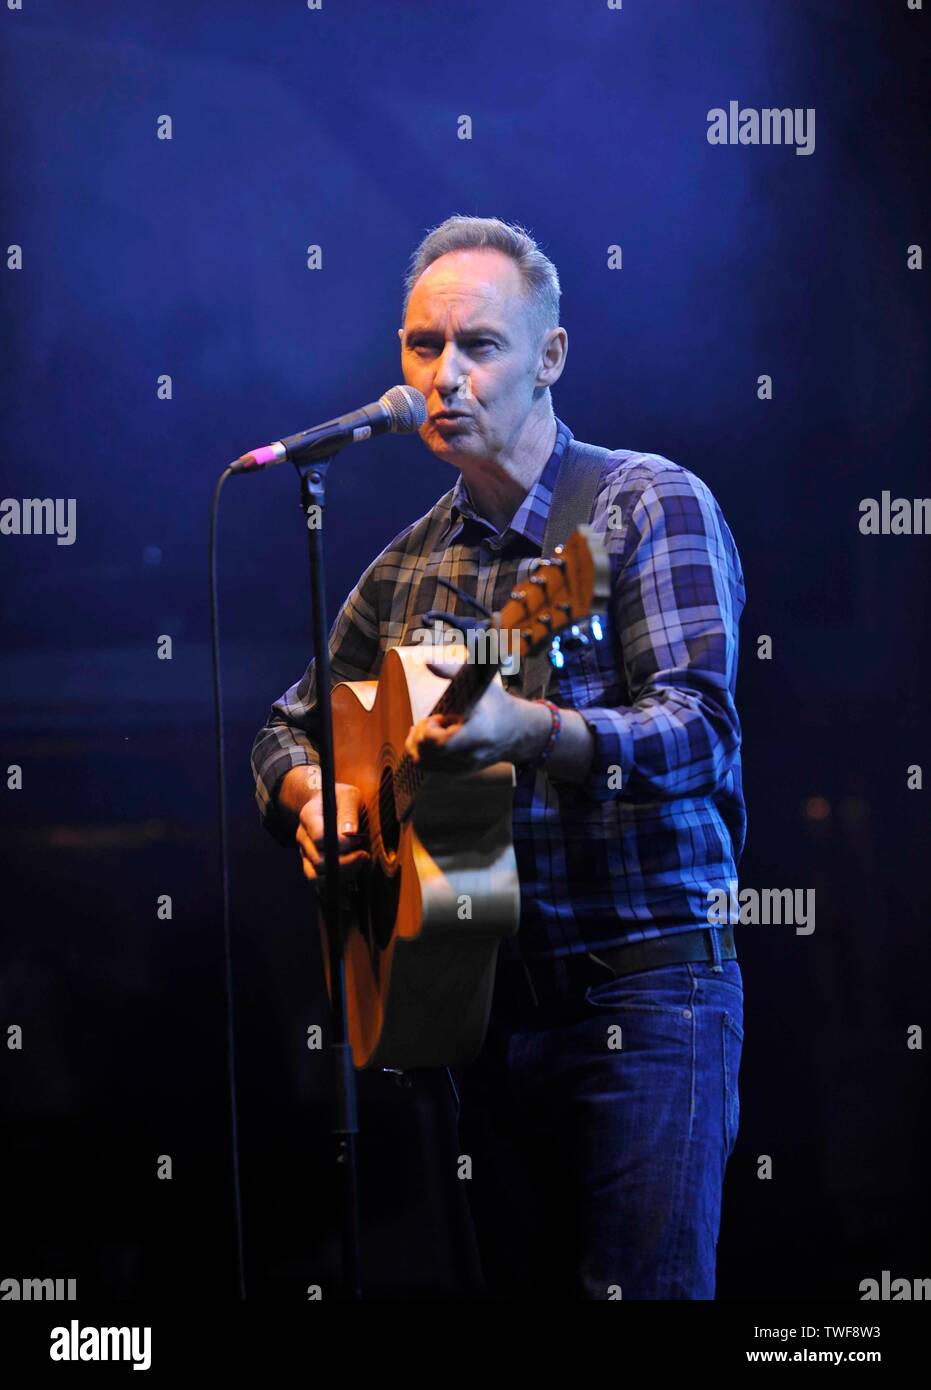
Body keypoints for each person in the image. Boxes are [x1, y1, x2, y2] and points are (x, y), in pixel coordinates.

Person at [250, 215, 747, 1299]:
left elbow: (699, 731)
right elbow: (282, 730)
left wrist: (535, 734)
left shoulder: (640, 507)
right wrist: (318, 801)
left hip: (646, 996)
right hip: (477, 1012)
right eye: (424, 348)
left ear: (550, 358)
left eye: (479, 346)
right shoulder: (405, 569)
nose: (446, 377)